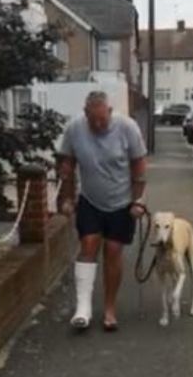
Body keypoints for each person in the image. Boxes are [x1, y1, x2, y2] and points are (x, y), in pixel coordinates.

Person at [57, 91, 148, 332]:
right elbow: (67, 162)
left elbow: (138, 164)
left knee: (113, 250)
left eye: (102, 120)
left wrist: (139, 200)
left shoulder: (128, 128)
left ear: (109, 112)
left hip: (121, 201)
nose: (98, 125)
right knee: (88, 244)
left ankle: (109, 308)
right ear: (85, 113)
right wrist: (67, 196)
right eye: (92, 120)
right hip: (90, 198)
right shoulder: (75, 128)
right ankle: (83, 309)